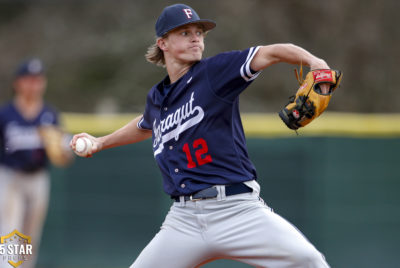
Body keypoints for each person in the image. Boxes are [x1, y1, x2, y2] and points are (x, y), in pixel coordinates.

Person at [70, 4, 333, 267]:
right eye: (184, 32)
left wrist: (315, 62)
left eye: (199, 31)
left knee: (308, 260)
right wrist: (101, 142)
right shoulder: (157, 97)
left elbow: (272, 52)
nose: (196, 37)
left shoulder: (215, 72)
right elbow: (145, 124)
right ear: (163, 43)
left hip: (237, 210)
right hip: (183, 220)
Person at [0, 58, 71, 268]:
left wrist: (62, 151)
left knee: (30, 235)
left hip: (38, 179)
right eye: (29, 79)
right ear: (18, 83)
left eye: (38, 80)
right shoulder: (5, 114)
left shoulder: (50, 115)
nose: (34, 84)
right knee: (12, 233)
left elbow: (63, 158)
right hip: (10, 178)